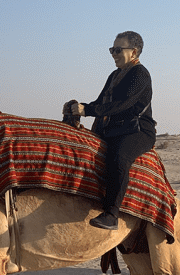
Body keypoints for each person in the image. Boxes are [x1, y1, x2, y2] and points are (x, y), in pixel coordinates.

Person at [63, 31, 157, 230]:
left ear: (134, 52)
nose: (113, 54)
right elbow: (101, 103)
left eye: (118, 50)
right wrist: (80, 107)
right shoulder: (114, 75)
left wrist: (87, 110)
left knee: (119, 158)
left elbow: (122, 104)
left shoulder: (140, 74)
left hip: (137, 130)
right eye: (111, 50)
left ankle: (112, 214)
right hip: (114, 129)